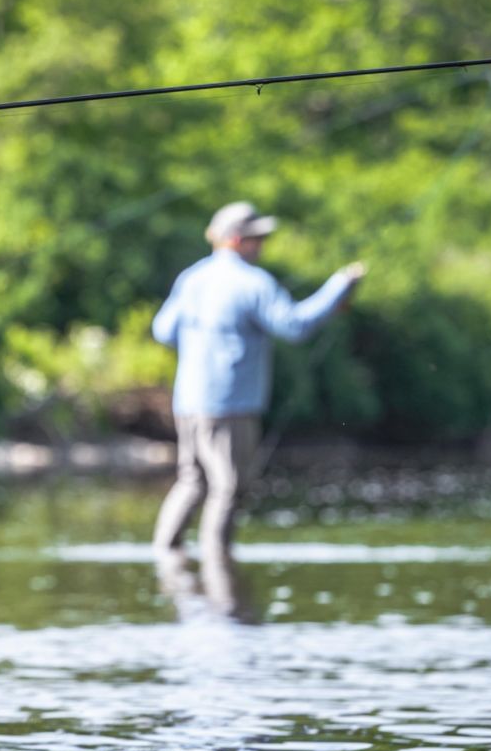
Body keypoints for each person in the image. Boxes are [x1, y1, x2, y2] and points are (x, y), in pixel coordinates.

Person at [150, 202, 365, 559]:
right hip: (230, 404)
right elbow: (294, 326)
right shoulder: (254, 282)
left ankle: (163, 556)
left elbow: (163, 331)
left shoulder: (191, 278)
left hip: (187, 400)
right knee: (229, 487)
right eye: (256, 239)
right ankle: (218, 565)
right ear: (235, 240)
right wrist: (338, 287)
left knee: (193, 481)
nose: (262, 245)